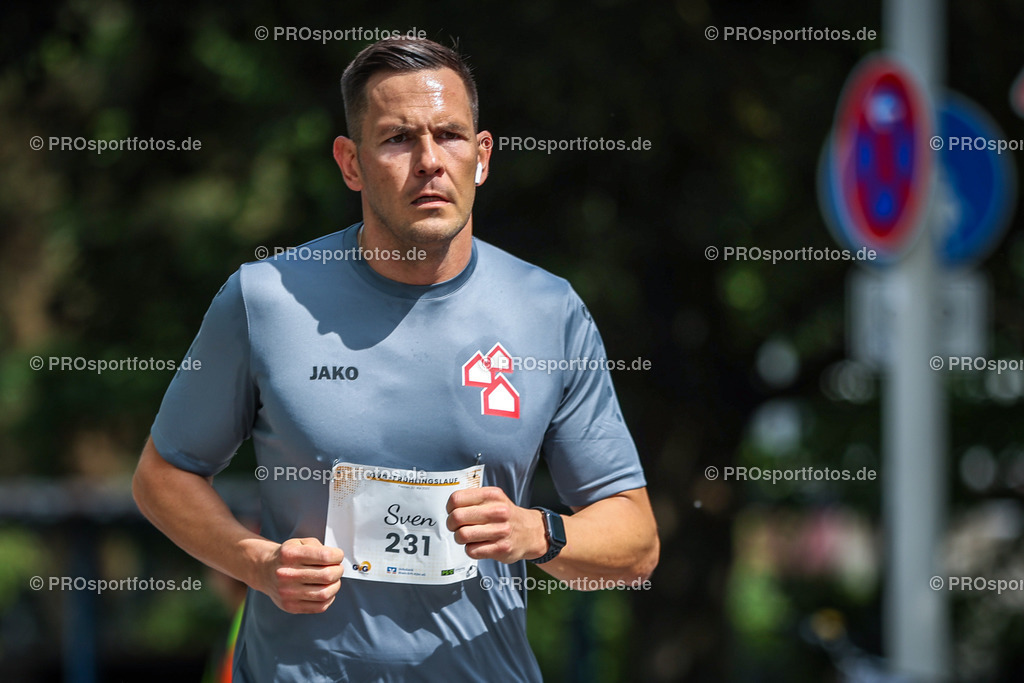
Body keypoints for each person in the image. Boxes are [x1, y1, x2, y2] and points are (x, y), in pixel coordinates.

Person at [132, 36, 658, 682]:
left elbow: (636, 541)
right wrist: (257, 563)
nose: (430, 161)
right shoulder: (264, 299)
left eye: (451, 136)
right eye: (398, 139)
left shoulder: (548, 312)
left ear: (483, 156)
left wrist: (538, 531)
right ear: (351, 163)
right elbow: (162, 476)